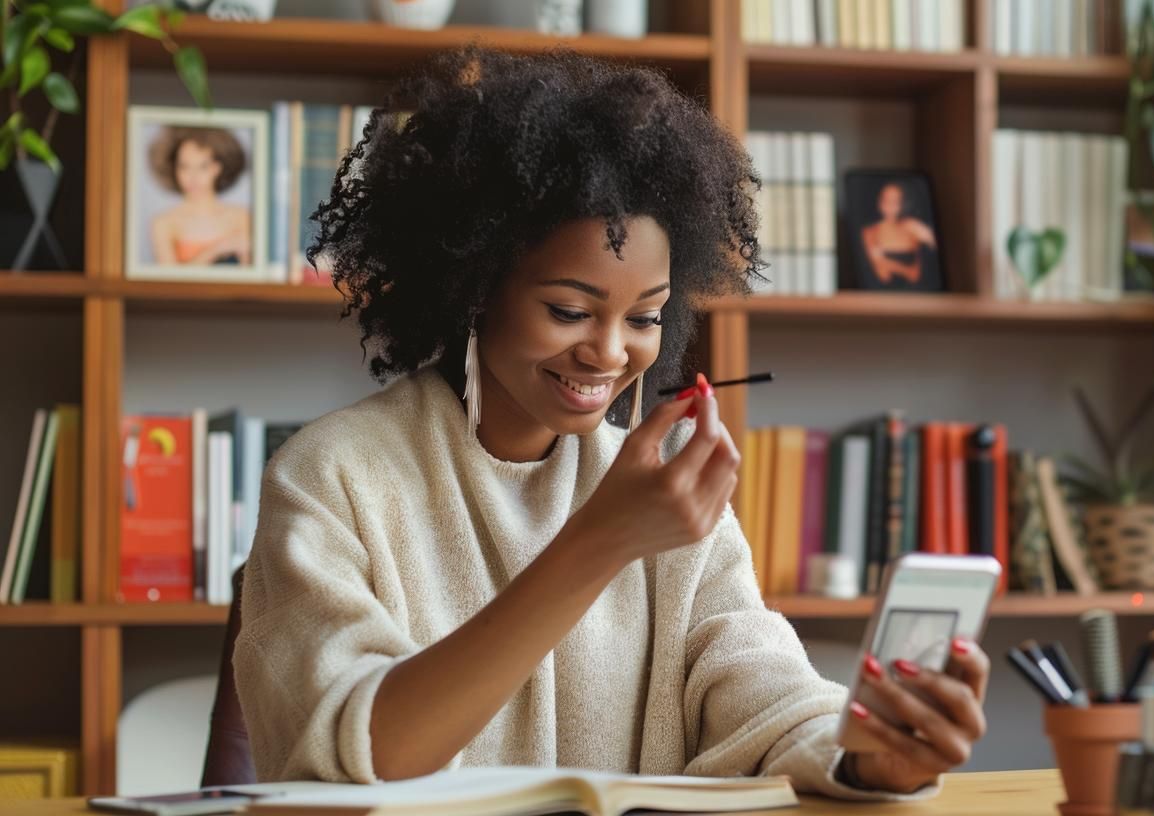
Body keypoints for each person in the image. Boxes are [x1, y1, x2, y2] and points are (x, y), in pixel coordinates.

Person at [233, 46, 989, 799]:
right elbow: (372, 752)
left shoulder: (659, 492)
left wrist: (874, 756)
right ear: (473, 287)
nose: (608, 351)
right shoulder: (331, 475)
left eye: (646, 317)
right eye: (569, 311)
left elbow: (773, 700)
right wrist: (602, 542)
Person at [146, 126, 252, 266]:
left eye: (203, 166)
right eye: (184, 166)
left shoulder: (242, 218)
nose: (192, 177)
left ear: (217, 168)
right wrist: (217, 249)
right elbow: (169, 281)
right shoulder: (163, 223)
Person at [859, 181, 936, 285]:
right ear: (879, 202)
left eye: (895, 201)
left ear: (903, 203)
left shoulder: (913, 227)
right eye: (886, 200)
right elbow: (882, 271)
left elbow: (917, 274)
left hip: (916, 292)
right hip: (885, 293)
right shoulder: (870, 232)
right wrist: (906, 271)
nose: (890, 206)